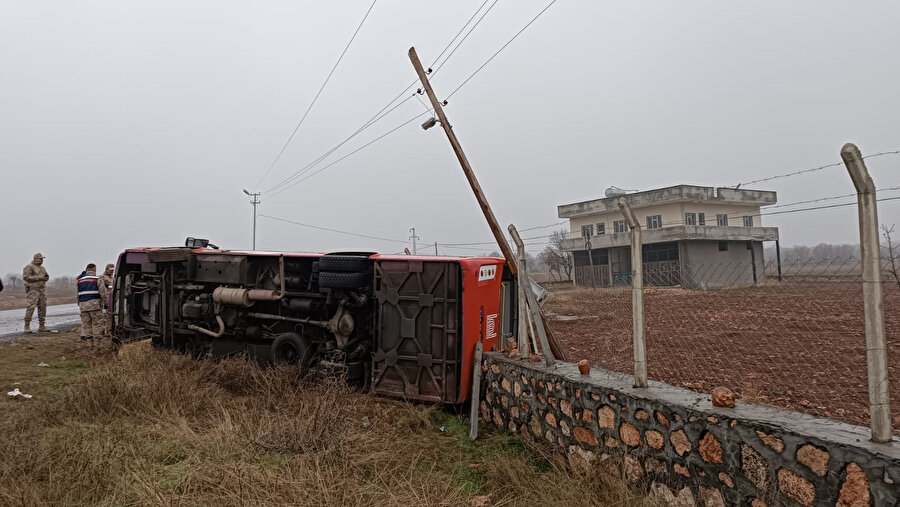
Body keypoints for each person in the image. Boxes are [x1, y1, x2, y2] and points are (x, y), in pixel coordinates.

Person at [76, 264, 103, 344]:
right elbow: (103, 293)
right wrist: (106, 303)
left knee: (87, 325)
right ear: (94, 269)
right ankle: (97, 345)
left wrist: (80, 304)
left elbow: (77, 295)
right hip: (95, 305)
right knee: (97, 324)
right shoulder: (97, 279)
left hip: (83, 306)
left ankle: (89, 344)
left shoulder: (79, 280)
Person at [23, 253, 49, 333]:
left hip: (42, 290)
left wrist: (46, 277)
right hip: (33, 290)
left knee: (42, 307)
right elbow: (26, 277)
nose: (41, 260)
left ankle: (42, 325)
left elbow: (45, 276)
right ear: (35, 259)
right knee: (31, 307)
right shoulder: (29, 267)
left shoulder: (42, 268)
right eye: (40, 259)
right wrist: (39, 278)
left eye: (42, 259)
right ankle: (27, 325)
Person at [97, 263, 115, 338]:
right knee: (104, 317)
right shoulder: (102, 278)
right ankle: (103, 332)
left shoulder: (113, 278)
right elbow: (101, 290)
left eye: (113, 270)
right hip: (104, 300)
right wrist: (105, 301)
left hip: (112, 299)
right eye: (110, 270)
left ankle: (109, 331)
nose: (112, 272)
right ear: (106, 269)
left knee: (110, 317)